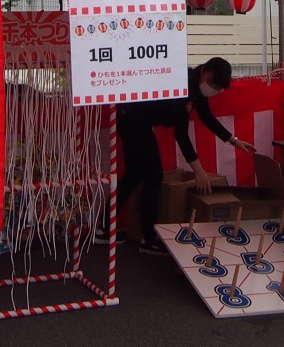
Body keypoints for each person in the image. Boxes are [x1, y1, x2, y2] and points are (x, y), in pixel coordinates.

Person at [96, 57, 256, 254]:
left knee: (135, 174)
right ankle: (148, 238)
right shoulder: (185, 85)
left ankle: (103, 228)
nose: (214, 90)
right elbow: (180, 134)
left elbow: (206, 116)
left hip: (133, 118)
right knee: (154, 176)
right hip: (132, 119)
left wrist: (233, 140)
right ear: (204, 70)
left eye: (218, 88)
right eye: (213, 84)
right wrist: (198, 169)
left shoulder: (197, 85)